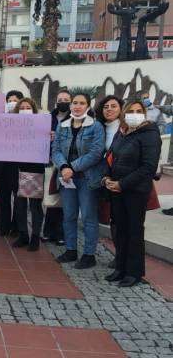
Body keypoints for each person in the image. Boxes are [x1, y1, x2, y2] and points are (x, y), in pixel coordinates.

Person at [102, 100, 161, 287]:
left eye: (139, 111)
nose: (134, 114)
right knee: (120, 230)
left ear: (144, 113)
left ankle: (134, 272)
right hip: (116, 189)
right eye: (131, 111)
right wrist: (106, 178)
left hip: (135, 191)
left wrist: (122, 184)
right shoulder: (122, 133)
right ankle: (120, 267)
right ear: (124, 114)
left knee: (134, 231)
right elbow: (110, 157)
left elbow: (148, 167)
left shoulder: (150, 135)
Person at [52, 93, 105, 269]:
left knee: (89, 217)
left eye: (82, 103)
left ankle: (89, 255)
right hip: (67, 179)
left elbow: (96, 152)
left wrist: (72, 167)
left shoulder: (95, 126)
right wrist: (64, 166)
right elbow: (56, 149)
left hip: (87, 179)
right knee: (69, 215)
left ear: (88, 106)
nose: (77, 106)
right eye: (75, 103)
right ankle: (71, 249)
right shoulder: (63, 126)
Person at [10, 98, 45, 251]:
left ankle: (36, 236)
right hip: (17, 168)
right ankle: (23, 234)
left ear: (33, 109)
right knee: (19, 203)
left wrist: (50, 136)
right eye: (22, 107)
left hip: (35, 168)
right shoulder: (11, 126)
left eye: (28, 107)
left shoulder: (41, 124)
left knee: (36, 204)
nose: (25, 109)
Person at [94, 95, 124, 268]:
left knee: (125, 220)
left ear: (121, 109)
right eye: (106, 106)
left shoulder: (126, 128)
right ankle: (119, 255)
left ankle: (125, 257)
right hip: (106, 178)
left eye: (113, 106)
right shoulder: (99, 128)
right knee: (113, 218)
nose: (109, 109)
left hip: (125, 179)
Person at [43, 90, 72, 246]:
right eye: (60, 99)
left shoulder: (74, 118)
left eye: (66, 99)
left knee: (63, 199)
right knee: (51, 196)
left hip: (66, 163)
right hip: (49, 159)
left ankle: (61, 233)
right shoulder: (48, 117)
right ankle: (48, 231)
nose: (63, 101)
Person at [0, 90, 24, 237]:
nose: (12, 103)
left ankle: (17, 226)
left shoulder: (29, 120)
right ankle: (3, 227)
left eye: (15, 100)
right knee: (3, 198)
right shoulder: (0, 119)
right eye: (9, 100)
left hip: (21, 166)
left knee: (19, 199)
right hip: (3, 166)